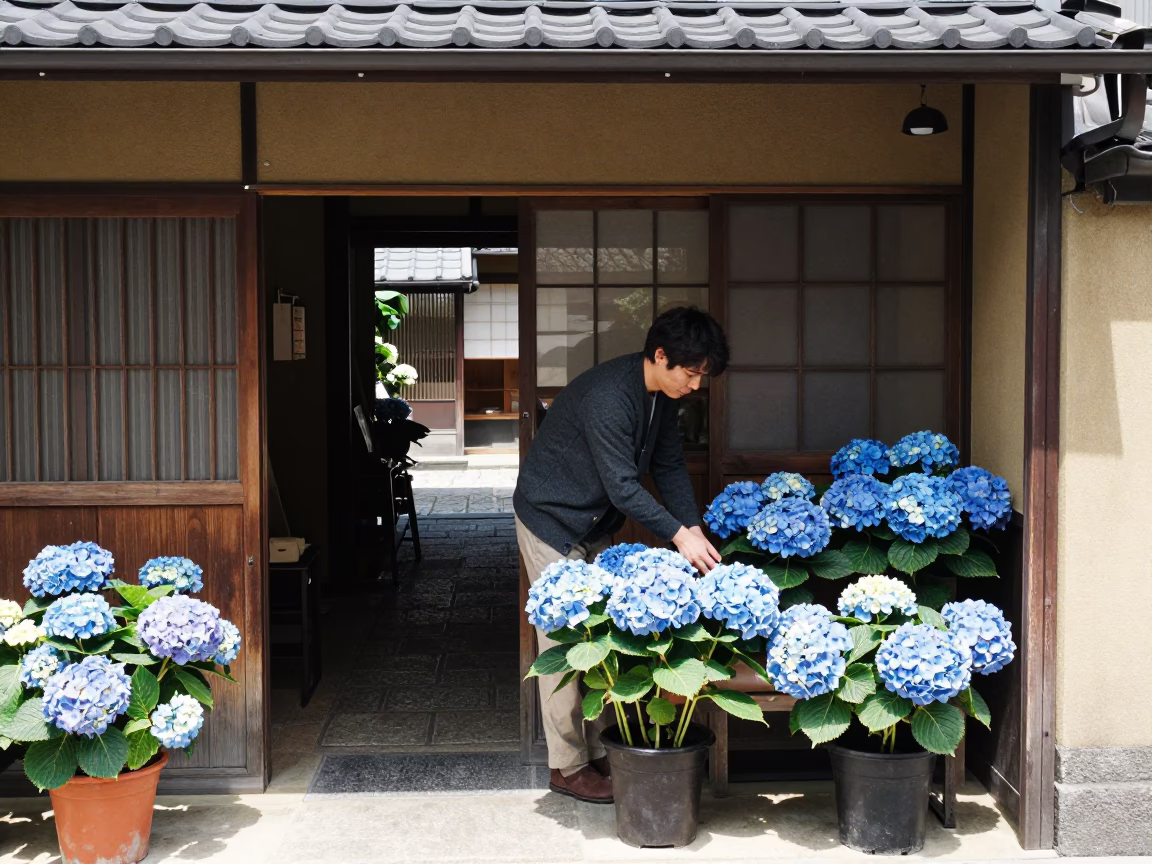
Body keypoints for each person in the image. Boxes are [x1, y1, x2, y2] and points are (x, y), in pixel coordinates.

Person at [514, 306, 730, 804]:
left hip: (594, 522)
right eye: (691, 372)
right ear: (660, 356)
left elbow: (671, 466)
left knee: (603, 640)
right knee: (564, 644)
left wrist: (693, 527)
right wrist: (680, 536)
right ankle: (567, 767)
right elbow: (623, 486)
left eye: (702, 375)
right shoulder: (610, 395)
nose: (696, 384)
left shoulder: (662, 398)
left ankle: (602, 753)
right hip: (551, 518)